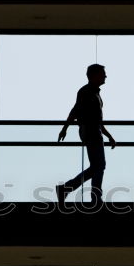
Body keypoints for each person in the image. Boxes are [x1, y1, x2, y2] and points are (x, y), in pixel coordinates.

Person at [55, 64, 116, 203]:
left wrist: (109, 136)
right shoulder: (87, 92)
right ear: (94, 75)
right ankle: (93, 197)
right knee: (99, 166)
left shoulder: (92, 92)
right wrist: (65, 128)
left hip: (93, 132)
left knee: (97, 166)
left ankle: (68, 189)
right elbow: (76, 111)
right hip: (91, 133)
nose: (105, 76)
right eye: (102, 73)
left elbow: (97, 120)